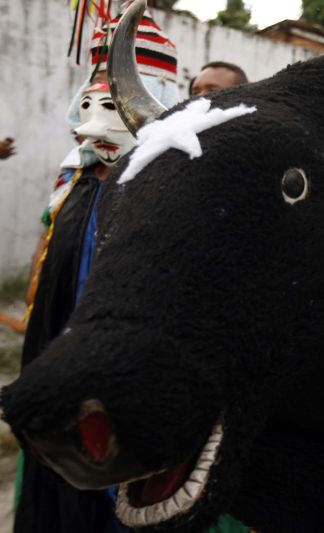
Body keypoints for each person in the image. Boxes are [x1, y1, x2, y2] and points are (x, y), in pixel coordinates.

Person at [13, 9, 181, 533]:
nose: (91, 121)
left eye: (109, 105)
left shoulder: (170, 184)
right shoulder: (73, 182)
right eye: (86, 104)